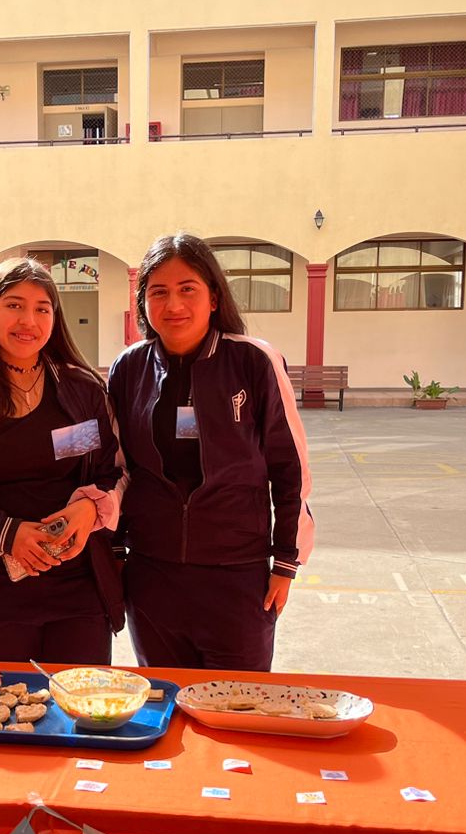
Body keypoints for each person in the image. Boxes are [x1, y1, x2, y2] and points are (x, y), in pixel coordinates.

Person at [107, 232, 313, 671]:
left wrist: (285, 563)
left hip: (237, 575)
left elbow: (289, 468)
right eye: (158, 292)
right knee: (165, 700)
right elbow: (117, 466)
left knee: (238, 701)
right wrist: (116, 553)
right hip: (152, 574)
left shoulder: (254, 361)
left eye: (188, 289)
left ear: (214, 297)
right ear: (143, 303)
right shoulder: (128, 369)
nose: (173, 305)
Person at [0, 258, 125, 664]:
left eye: (41, 308)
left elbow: (113, 471)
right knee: (7, 700)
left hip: (79, 584)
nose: (28, 321)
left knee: (82, 697)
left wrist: (91, 508)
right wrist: (7, 533)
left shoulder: (83, 390)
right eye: (14, 305)